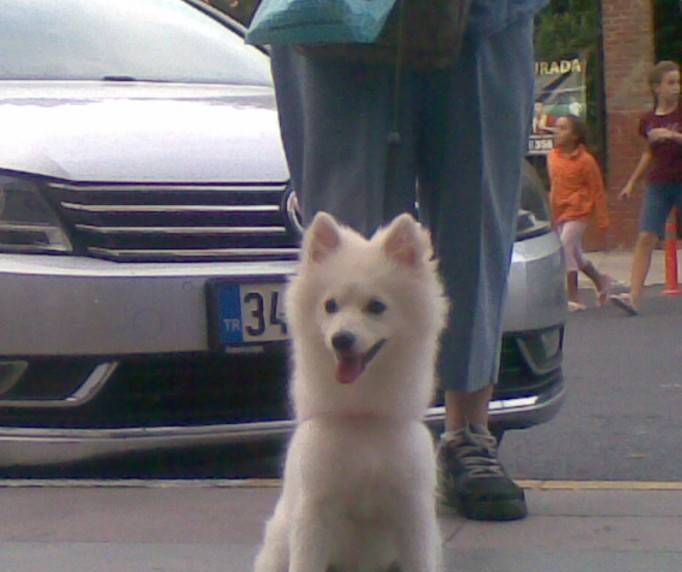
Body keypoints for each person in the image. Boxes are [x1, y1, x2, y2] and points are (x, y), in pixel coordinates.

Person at [268, 0, 549, 521]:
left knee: (476, 212)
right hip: (332, 20)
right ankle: (344, 443)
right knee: (344, 239)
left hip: (485, 17)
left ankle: (469, 431)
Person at [612, 60, 682, 316]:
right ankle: (634, 297)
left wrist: (673, 136)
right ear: (656, 88)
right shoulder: (648, 120)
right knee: (645, 237)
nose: (676, 88)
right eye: (670, 83)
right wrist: (631, 182)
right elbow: (649, 153)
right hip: (658, 183)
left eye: (678, 82)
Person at [547, 114, 615, 312]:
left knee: (565, 246)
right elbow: (555, 185)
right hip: (560, 210)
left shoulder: (586, 161)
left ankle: (573, 296)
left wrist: (602, 218)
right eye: (556, 128)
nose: (557, 132)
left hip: (579, 211)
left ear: (575, 136)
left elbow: (597, 189)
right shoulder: (552, 157)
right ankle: (601, 281)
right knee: (575, 253)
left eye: (563, 128)